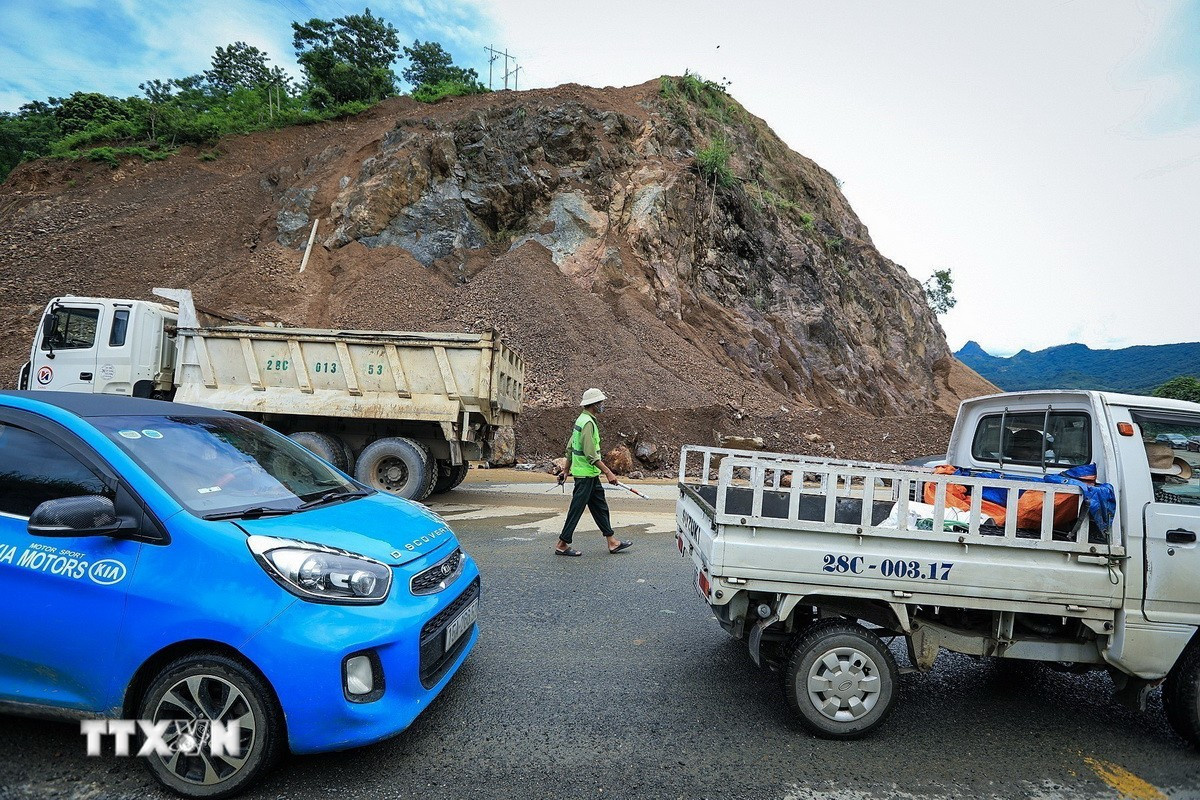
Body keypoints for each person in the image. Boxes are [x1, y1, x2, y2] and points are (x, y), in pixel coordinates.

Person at [554, 388, 633, 557]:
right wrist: (609, 472)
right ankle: (562, 544)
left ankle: (612, 542)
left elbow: (570, 448)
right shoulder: (588, 423)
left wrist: (566, 470)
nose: (603, 405)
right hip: (585, 475)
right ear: (594, 404)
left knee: (600, 507)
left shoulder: (581, 419)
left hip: (590, 475)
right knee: (576, 509)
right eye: (601, 402)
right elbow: (590, 454)